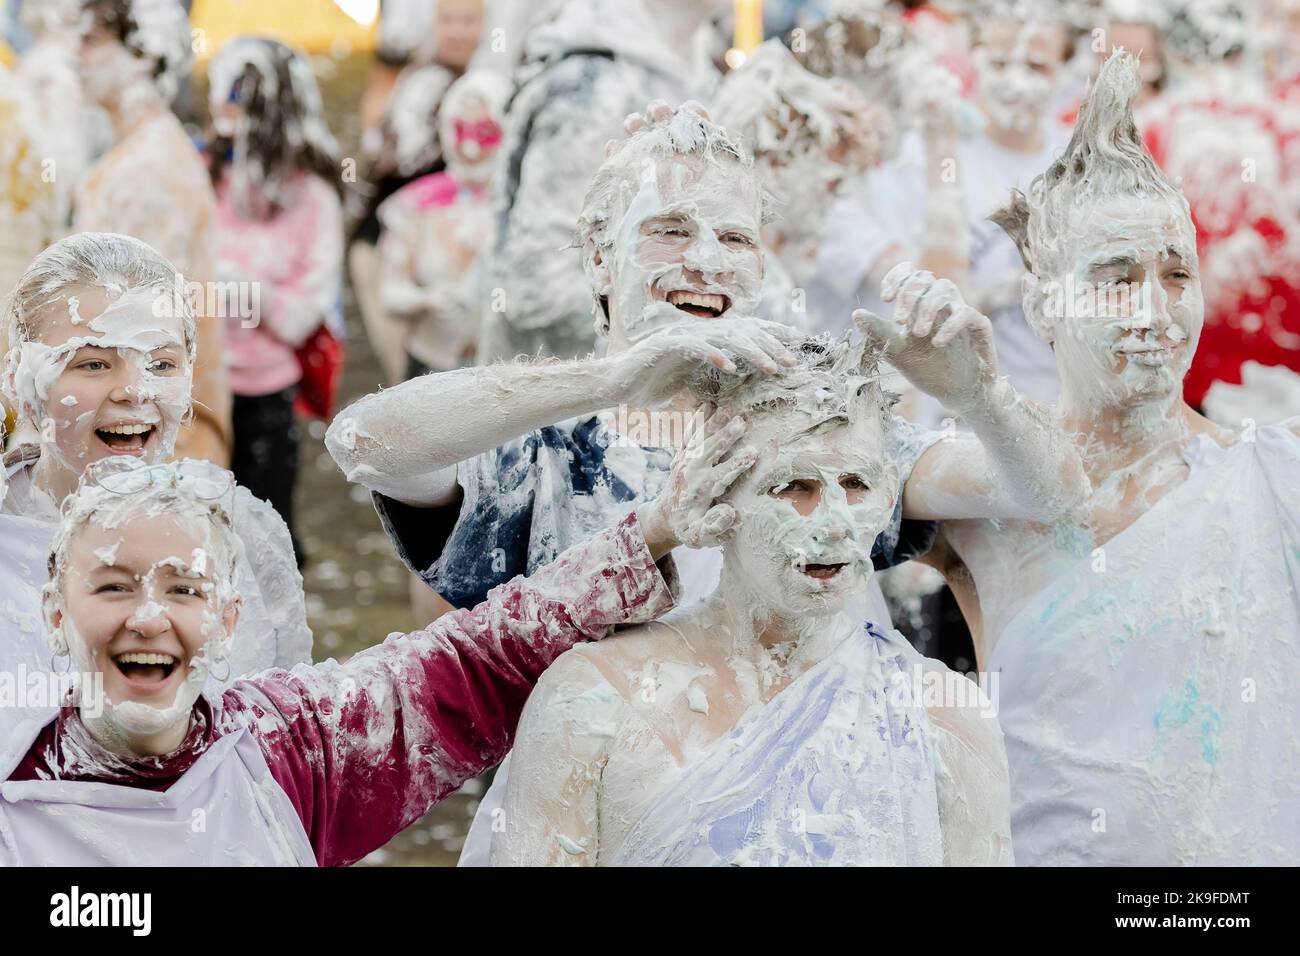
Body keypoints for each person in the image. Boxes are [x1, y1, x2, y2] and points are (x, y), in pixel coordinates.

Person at [326, 103, 1086, 863]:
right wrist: (614, 379)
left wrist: (979, 396)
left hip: (822, 827)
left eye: (735, 238)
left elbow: (1046, 492)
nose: (707, 261)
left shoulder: (814, 431)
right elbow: (364, 443)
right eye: (670, 229)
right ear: (599, 257)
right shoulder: (546, 454)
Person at [877, 50, 1300, 864]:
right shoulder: (974, 485)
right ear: (1043, 303)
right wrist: (970, 394)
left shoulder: (1273, 479)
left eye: (1177, 274)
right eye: (1116, 277)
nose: (1155, 309)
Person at [0, 449, 708, 865]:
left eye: (183, 589)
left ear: (227, 618)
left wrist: (651, 533)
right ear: (55, 614)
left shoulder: (288, 747)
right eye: (114, 586)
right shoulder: (12, 782)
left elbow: (474, 665)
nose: (149, 618)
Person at [492, 338, 1014, 865]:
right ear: (718, 494)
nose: (833, 520)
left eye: (857, 484)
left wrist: (981, 394)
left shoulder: (946, 712)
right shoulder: (593, 697)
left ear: (888, 495)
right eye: (794, 486)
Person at [0, 233, 312, 748]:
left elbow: (281, 741)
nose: (135, 390)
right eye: (94, 364)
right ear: (20, 377)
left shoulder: (241, 532)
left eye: (162, 364)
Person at [814, 2, 1074, 418]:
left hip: (1050, 401)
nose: (1017, 82)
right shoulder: (924, 157)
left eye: (1036, 66)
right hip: (950, 411)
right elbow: (921, 301)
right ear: (973, 58)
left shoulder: (1076, 161)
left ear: (1066, 71)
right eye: (1001, 62)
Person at [474, 0, 725, 361]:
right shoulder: (593, 85)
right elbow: (540, 285)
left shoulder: (701, 71)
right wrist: (690, 326)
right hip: (563, 394)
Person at [71, 0, 231, 466]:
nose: (77, 56)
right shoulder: (140, 153)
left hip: (154, 445)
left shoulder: (149, 172)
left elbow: (137, 333)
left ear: (142, 53)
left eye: (94, 41)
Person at [205, 37, 346, 563]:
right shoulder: (206, 176)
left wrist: (240, 287)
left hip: (266, 393)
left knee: (264, 534)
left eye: (238, 95)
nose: (222, 107)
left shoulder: (312, 198)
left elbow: (303, 313)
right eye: (220, 92)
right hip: (199, 387)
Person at [376, 69, 510, 380]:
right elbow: (390, 293)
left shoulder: (522, 206)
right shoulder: (413, 205)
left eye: (486, 132)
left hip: (504, 373)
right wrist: (427, 299)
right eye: (462, 131)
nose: (472, 148)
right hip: (430, 368)